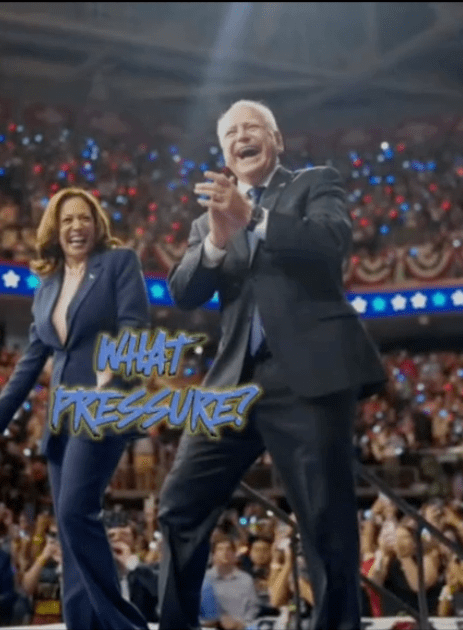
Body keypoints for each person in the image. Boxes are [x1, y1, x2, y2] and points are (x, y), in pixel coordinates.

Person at [158, 99, 387, 630]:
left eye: (252, 127)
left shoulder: (314, 183)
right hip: (232, 382)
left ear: (276, 140)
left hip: (306, 377)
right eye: (231, 132)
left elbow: (330, 244)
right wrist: (217, 238)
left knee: (326, 521)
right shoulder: (209, 219)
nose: (242, 136)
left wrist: (253, 217)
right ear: (223, 152)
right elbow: (184, 290)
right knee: (178, 505)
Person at [0, 187, 151, 630]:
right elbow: (31, 362)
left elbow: (134, 327)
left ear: (96, 224)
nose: (76, 226)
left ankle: (124, 626)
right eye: (66, 219)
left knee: (73, 512)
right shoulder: (46, 288)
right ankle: (80, 624)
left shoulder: (119, 264)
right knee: (68, 532)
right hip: (62, 420)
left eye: (83, 218)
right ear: (55, 228)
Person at [199, 532, 260, 629]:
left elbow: (252, 608)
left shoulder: (246, 579)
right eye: (220, 549)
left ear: (234, 554)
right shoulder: (203, 580)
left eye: (229, 549)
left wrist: (242, 624)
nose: (225, 553)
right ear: (213, 555)